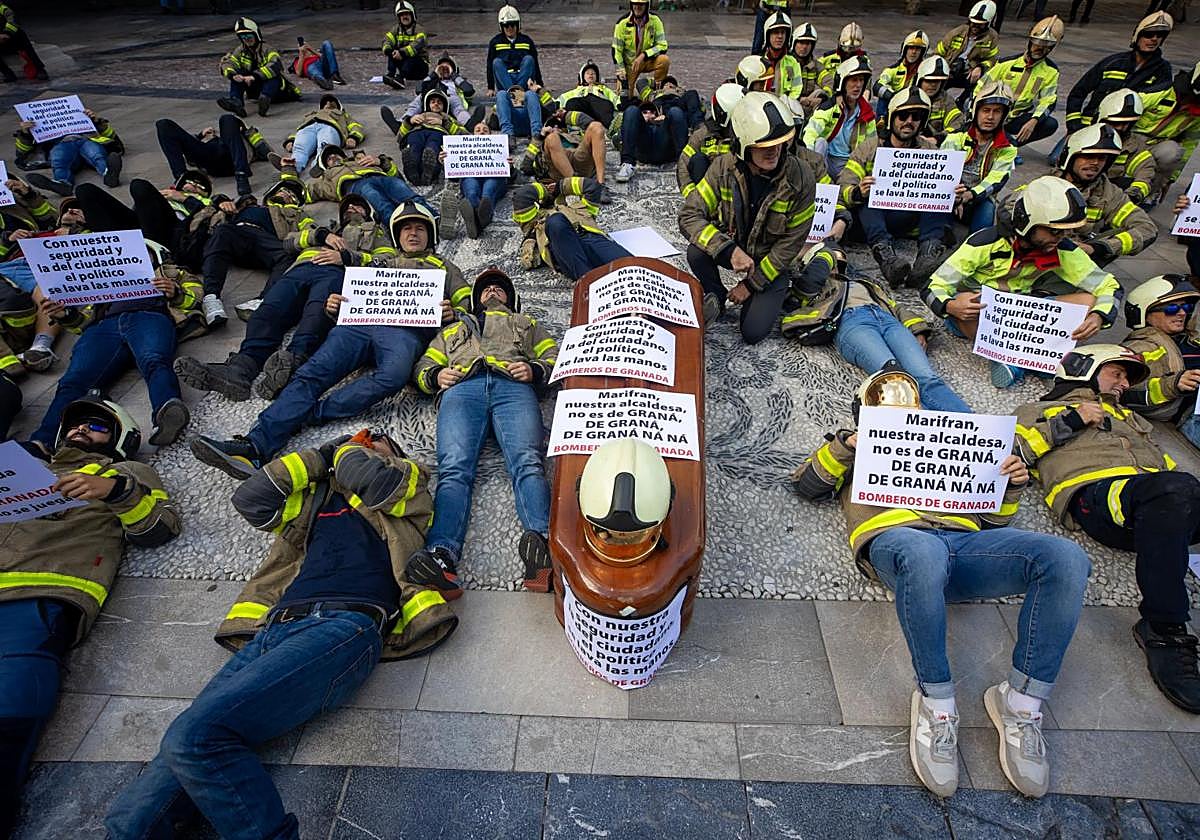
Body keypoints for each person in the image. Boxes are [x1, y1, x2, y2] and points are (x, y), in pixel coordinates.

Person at [104, 431, 457, 839]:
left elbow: (366, 476)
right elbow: (251, 499)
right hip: (273, 631)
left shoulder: (406, 486)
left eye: (377, 439)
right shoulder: (315, 501)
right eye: (362, 437)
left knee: (195, 736)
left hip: (343, 626)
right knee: (156, 780)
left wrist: (343, 450)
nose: (366, 440)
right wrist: (316, 458)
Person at [793, 366, 1089, 798]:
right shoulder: (851, 449)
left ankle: (1022, 703)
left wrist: (1009, 487)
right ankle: (937, 704)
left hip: (964, 546)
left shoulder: (952, 443)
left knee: (1067, 557)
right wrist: (846, 447)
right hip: (897, 546)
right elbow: (806, 485)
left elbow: (994, 524)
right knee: (923, 552)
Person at [0, 395, 180, 836]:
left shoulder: (128, 473)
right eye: (77, 425)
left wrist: (116, 492)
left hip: (37, 595)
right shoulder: (24, 469)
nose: (82, 430)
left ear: (119, 439)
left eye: (97, 426)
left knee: (11, 712)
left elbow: (160, 528)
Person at [191, 202, 469, 478]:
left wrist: (454, 312)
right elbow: (351, 286)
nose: (412, 233)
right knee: (310, 375)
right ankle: (253, 447)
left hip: (404, 333)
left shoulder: (446, 267)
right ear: (397, 234)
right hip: (357, 327)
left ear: (430, 235)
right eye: (406, 228)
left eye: (419, 228)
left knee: (394, 375)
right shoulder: (380, 261)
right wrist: (334, 306)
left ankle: (313, 413)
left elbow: (469, 307)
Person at [1014, 345, 1200, 714]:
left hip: (1159, 504)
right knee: (1174, 489)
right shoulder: (1038, 410)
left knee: (1178, 488)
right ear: (1084, 370)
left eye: (1128, 378)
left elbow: (1167, 471)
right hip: (1097, 498)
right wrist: (1071, 420)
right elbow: (1014, 452)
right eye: (1117, 373)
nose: (1124, 382)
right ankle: (1164, 631)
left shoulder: (1129, 417)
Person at [407, 268, 558, 598]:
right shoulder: (454, 329)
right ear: (476, 298)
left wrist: (534, 369)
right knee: (454, 471)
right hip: (462, 389)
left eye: (500, 289)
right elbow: (422, 366)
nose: (492, 291)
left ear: (511, 298)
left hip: (512, 388)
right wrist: (435, 377)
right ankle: (441, 556)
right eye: (486, 288)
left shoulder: (526, 324)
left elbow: (554, 358)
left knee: (528, 463)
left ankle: (544, 547)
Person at [174, 187, 393, 403]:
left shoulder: (375, 232)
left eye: (358, 206)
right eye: (347, 206)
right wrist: (319, 235)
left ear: (368, 212)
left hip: (338, 274)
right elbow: (288, 242)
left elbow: (388, 262)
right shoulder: (325, 230)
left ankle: (293, 363)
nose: (352, 208)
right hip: (300, 269)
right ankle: (240, 369)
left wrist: (347, 258)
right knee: (267, 312)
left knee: (316, 313)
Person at [924, 176, 1118, 388]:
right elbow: (932, 286)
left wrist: (1099, 316)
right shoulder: (984, 243)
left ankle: (1019, 359)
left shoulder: (1062, 249)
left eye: (1065, 232)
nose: (1061, 237)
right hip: (978, 314)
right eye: (1054, 231)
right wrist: (951, 306)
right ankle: (1035, 359)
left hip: (1022, 312)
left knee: (1088, 301)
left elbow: (1109, 286)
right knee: (970, 299)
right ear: (1028, 224)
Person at [31, 241, 203, 450]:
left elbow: (196, 298)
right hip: (104, 327)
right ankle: (44, 441)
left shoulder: (173, 273)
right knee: (73, 381)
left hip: (149, 318)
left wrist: (175, 293)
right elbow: (82, 321)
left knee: (154, 361)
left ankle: (167, 416)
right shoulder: (101, 280)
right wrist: (65, 314)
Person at [679, 91, 816, 339]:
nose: (774, 151)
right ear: (743, 145)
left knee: (752, 332)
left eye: (779, 142)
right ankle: (716, 294)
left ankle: (779, 290)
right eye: (764, 145)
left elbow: (790, 244)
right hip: (737, 246)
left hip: (770, 262)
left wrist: (751, 285)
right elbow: (689, 216)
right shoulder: (722, 168)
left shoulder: (802, 178)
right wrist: (728, 250)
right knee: (696, 251)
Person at [782, 241, 970, 413]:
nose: (835, 265)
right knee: (894, 379)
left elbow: (896, 307)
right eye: (831, 260)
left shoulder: (864, 283)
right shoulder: (809, 291)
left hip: (887, 320)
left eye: (837, 261)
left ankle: (971, 434)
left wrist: (918, 330)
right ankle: (927, 438)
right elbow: (794, 313)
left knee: (927, 378)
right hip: (853, 323)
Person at [837, 88, 954, 289]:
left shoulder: (932, 152)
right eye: (902, 115)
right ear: (891, 118)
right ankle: (888, 261)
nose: (909, 121)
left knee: (939, 198)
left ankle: (926, 260)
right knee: (868, 199)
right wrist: (858, 192)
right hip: (876, 219)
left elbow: (946, 191)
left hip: (913, 220)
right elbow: (843, 187)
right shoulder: (868, 148)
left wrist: (955, 193)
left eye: (916, 116)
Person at [1001, 124, 1157, 267]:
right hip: (1041, 252)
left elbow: (1147, 228)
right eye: (1088, 157)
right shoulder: (1045, 184)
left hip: (1081, 256)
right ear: (1071, 157)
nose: (1095, 163)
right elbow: (1007, 208)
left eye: (1102, 158)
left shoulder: (1110, 193)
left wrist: (1099, 248)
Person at [194, 178, 314, 328]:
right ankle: (211, 298)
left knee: (289, 255)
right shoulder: (248, 204)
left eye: (293, 196)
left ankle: (263, 300)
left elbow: (311, 231)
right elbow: (209, 208)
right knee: (221, 232)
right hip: (236, 233)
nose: (287, 195)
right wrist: (221, 203)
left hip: (265, 241)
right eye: (284, 190)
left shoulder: (296, 214)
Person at [1064, 11, 1173, 138]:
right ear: (1137, 37)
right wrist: (1074, 125)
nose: (1154, 39)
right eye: (1148, 34)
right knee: (1059, 157)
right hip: (1089, 126)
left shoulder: (1163, 70)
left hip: (1124, 132)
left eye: (1160, 35)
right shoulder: (1112, 63)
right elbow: (1078, 92)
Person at [1121, 277, 1200, 448]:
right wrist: (1173, 384)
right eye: (1172, 308)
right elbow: (1122, 392)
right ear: (1146, 314)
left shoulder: (1188, 339)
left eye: (1186, 307)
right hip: (1192, 415)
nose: (1182, 313)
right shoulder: (1140, 347)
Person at [512, 176, 629, 281]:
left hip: (591, 239)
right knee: (555, 221)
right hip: (564, 249)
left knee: (633, 267)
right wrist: (544, 190)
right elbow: (521, 196)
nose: (549, 188)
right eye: (545, 186)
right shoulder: (533, 221)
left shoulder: (579, 207)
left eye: (550, 185)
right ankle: (588, 282)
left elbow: (592, 186)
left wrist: (560, 186)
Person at [941, 80, 1017, 234]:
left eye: (997, 111)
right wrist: (955, 196)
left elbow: (996, 181)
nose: (990, 117)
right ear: (976, 111)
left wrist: (970, 195)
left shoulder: (1008, 146)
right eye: (986, 110)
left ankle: (976, 243)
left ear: (1003, 116)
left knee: (987, 212)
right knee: (939, 224)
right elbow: (943, 173)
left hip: (979, 197)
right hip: (951, 194)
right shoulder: (956, 137)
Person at [981, 16, 1064, 147]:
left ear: (1052, 48)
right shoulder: (1006, 63)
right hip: (995, 112)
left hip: (1016, 117)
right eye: (1037, 44)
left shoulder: (1051, 71)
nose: (1040, 48)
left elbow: (1048, 100)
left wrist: (1034, 120)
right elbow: (981, 87)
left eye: (1046, 46)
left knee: (1050, 124)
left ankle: (1011, 144)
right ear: (1030, 42)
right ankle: (1001, 140)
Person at [154, 114, 272, 198]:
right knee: (163, 124)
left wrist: (245, 129)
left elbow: (266, 152)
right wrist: (200, 136)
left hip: (232, 159)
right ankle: (182, 179)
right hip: (209, 158)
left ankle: (242, 175)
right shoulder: (213, 139)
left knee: (227, 118)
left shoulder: (244, 135)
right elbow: (188, 158)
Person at [304, 145, 430, 222]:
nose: (334, 157)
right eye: (329, 158)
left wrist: (380, 161)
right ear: (325, 166)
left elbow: (395, 174)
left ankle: (433, 217)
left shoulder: (360, 161)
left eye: (336, 154)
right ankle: (395, 225)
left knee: (401, 187)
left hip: (380, 177)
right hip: (356, 185)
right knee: (375, 197)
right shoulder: (327, 176)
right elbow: (308, 190)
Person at [1132, 59, 1200, 203]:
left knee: (1173, 152)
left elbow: (1189, 144)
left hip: (1158, 144)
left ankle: (1148, 196)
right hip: (1130, 138)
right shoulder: (1160, 92)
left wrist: (1170, 179)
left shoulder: (1197, 114)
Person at [20, 107, 124, 196]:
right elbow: (22, 152)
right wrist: (25, 133)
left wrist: (97, 121)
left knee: (97, 155)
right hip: (61, 143)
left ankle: (109, 174)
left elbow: (113, 138)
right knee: (59, 161)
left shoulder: (85, 122)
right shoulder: (37, 129)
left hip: (85, 139)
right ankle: (62, 184)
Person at [803, 55, 875, 178]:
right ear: (843, 82)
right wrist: (808, 162)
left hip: (852, 165)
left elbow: (872, 145)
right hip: (827, 162)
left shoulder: (867, 114)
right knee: (820, 142)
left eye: (861, 80)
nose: (858, 85)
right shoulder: (829, 107)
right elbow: (810, 132)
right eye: (854, 80)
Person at [521, 106, 613, 203]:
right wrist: (541, 136)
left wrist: (565, 115)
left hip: (578, 158)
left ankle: (600, 185)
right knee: (552, 138)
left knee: (597, 126)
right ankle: (574, 185)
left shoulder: (573, 134)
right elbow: (526, 167)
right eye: (552, 126)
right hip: (556, 168)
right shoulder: (544, 140)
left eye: (557, 125)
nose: (555, 128)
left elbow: (589, 122)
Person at [217, 17, 302, 119]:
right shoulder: (240, 50)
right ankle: (236, 102)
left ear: (256, 34)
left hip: (278, 92)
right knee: (238, 73)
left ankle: (264, 100)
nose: (246, 39)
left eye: (249, 35)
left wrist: (254, 76)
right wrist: (233, 75)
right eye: (242, 36)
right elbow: (229, 63)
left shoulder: (268, 49)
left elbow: (275, 65)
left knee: (274, 76)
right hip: (256, 91)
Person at [443, 122, 514, 239]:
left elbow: (512, 177)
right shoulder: (462, 149)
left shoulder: (500, 150)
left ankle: (477, 220)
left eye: (485, 130)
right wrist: (446, 162)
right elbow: (453, 177)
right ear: (472, 135)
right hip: (470, 175)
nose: (481, 132)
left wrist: (510, 167)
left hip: (494, 176)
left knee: (488, 192)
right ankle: (480, 221)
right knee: (471, 192)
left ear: (491, 135)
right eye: (478, 130)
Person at [270, 93, 363, 176]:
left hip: (330, 127)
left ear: (339, 106)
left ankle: (320, 165)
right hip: (308, 127)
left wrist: (354, 137)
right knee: (300, 148)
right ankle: (292, 167)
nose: (328, 104)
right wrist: (291, 140)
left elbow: (355, 126)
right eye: (325, 103)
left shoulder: (343, 115)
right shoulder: (312, 114)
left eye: (332, 102)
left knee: (325, 148)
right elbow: (299, 128)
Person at [677, 83, 741, 199]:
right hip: (710, 193)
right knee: (698, 160)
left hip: (737, 195)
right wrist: (693, 197)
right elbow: (683, 165)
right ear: (723, 115)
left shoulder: (746, 135)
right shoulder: (703, 134)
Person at [397, 88, 467, 186]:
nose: (436, 104)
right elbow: (400, 137)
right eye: (433, 102)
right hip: (416, 132)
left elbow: (465, 136)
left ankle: (430, 172)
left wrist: (444, 123)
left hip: (438, 133)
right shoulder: (418, 115)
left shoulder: (448, 118)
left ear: (445, 106)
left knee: (432, 147)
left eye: (439, 102)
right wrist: (409, 122)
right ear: (427, 104)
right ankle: (412, 172)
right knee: (414, 148)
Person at [1098, 89, 1157, 205]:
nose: (1120, 128)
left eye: (1126, 123)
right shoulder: (1084, 138)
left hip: (1112, 191)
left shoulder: (1135, 146)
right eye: (1115, 123)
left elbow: (1145, 173)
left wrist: (1133, 196)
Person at [615, 96, 687, 185]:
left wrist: (662, 121)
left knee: (675, 111)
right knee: (631, 110)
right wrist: (639, 123)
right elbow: (618, 139)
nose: (649, 114)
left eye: (652, 112)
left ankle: (684, 164)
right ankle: (627, 164)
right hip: (643, 147)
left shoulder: (664, 123)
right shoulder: (636, 123)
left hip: (664, 146)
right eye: (644, 112)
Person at [935, 1, 1000, 93]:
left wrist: (980, 67)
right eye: (973, 23)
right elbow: (938, 53)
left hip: (971, 73)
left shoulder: (992, 37)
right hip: (949, 70)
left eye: (980, 24)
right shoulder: (956, 33)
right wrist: (942, 68)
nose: (975, 26)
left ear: (988, 24)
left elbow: (992, 59)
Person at [612, 0, 669, 99]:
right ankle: (636, 91)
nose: (637, 7)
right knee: (625, 97)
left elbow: (663, 46)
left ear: (647, 6)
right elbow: (616, 50)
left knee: (664, 60)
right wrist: (621, 71)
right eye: (635, 4)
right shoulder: (622, 23)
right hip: (629, 65)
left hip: (647, 60)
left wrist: (644, 55)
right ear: (631, 5)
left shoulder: (655, 21)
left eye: (641, 4)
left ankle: (657, 89)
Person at [487, 5, 543, 99]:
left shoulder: (527, 41)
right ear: (501, 26)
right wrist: (491, 88)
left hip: (523, 78)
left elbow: (535, 64)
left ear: (517, 25)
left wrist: (540, 84)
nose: (509, 28)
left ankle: (515, 96)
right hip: (505, 79)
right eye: (506, 25)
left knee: (529, 59)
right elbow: (490, 65)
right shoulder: (495, 42)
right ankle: (517, 96)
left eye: (512, 25)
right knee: (496, 62)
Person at [873, 30, 929, 123]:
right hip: (894, 103)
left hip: (914, 104)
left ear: (922, 52)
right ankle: (881, 121)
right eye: (911, 48)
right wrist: (892, 96)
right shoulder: (892, 70)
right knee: (883, 96)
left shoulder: (924, 71)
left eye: (918, 49)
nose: (914, 52)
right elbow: (877, 87)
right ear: (905, 49)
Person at [381, 1, 428, 90]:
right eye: (402, 15)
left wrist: (401, 53)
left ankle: (400, 79)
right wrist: (390, 51)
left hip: (420, 69)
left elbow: (416, 45)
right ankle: (391, 75)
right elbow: (387, 40)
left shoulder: (420, 30)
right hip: (406, 67)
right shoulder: (396, 29)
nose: (404, 17)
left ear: (412, 15)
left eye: (407, 14)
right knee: (393, 50)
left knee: (412, 54)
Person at [816, 22, 867, 100]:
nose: (849, 52)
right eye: (846, 48)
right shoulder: (827, 58)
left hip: (852, 99)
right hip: (829, 98)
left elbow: (866, 88)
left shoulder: (864, 61)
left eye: (853, 49)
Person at [917, 56, 963, 144]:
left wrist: (938, 138)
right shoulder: (906, 98)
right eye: (929, 81)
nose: (933, 85)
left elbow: (957, 123)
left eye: (937, 81)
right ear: (920, 81)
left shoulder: (946, 101)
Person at [0, 2, 48, 82]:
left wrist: (6, 34)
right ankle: (8, 74)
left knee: (23, 39)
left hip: (12, 37)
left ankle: (40, 69)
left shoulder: (4, 9)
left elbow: (13, 22)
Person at [758, 12, 800, 97]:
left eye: (783, 32)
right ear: (768, 35)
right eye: (776, 32)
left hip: (784, 106)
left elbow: (797, 87)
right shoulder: (758, 62)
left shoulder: (792, 63)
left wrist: (787, 103)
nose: (780, 36)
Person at [788, 22, 824, 116]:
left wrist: (821, 98)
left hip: (810, 105)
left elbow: (828, 82)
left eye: (808, 43)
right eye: (801, 42)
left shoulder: (816, 65)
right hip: (789, 106)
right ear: (794, 43)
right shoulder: (787, 64)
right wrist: (799, 99)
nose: (804, 47)